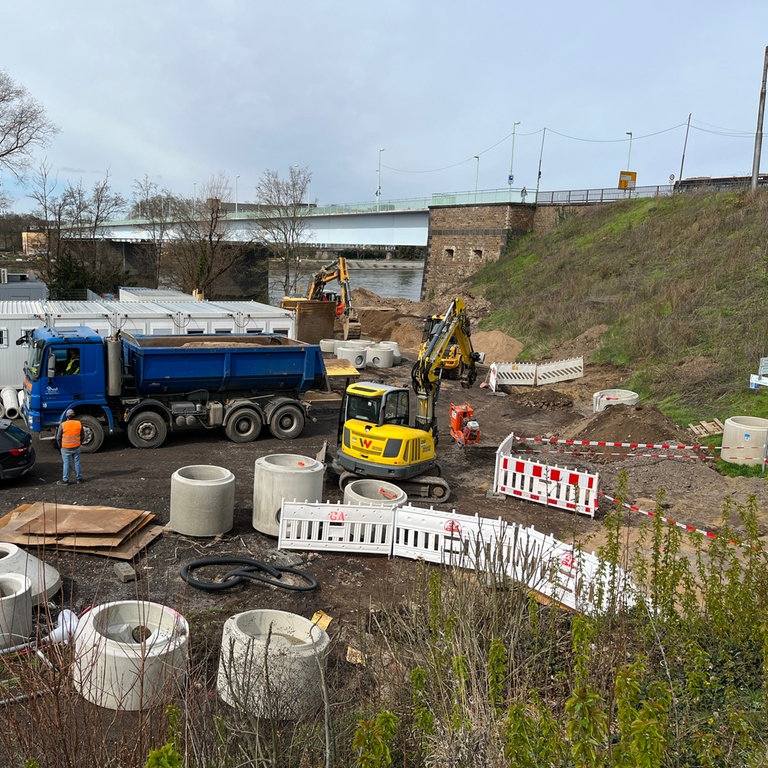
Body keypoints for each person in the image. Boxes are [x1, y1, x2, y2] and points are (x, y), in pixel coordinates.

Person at [56, 409, 84, 485]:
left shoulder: (63, 425)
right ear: (74, 416)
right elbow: (82, 435)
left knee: (66, 463)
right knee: (77, 462)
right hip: (76, 447)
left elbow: (58, 438)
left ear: (67, 416)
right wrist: (79, 443)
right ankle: (79, 479)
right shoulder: (79, 423)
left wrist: (60, 447)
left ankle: (65, 480)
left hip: (66, 448)